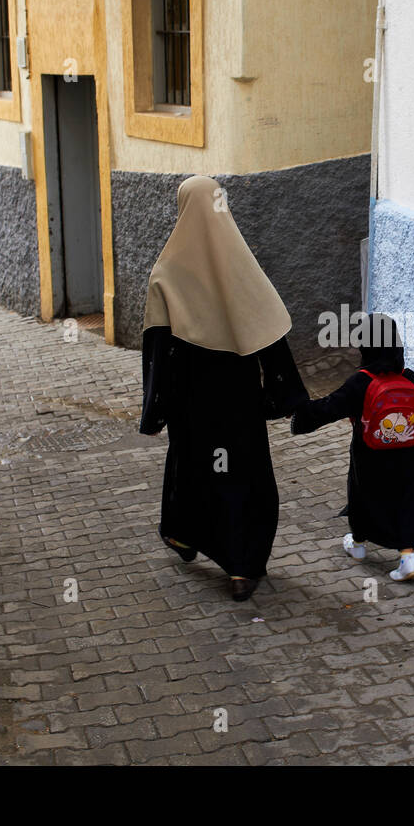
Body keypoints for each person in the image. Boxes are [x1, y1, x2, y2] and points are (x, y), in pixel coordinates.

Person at [138, 175, 307, 602]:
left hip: (192, 404)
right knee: (242, 476)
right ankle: (242, 568)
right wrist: (285, 395)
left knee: (197, 473)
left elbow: (157, 350)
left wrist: (155, 410)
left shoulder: (166, 273)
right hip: (239, 403)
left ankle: (185, 536)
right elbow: (270, 334)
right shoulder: (241, 265)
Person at [290, 313, 414, 581]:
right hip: (406, 456)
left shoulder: (362, 381)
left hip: (369, 454)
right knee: (407, 499)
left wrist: (299, 412)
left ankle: (357, 546)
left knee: (363, 494)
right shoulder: (412, 379)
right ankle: (408, 556)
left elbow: (329, 408)